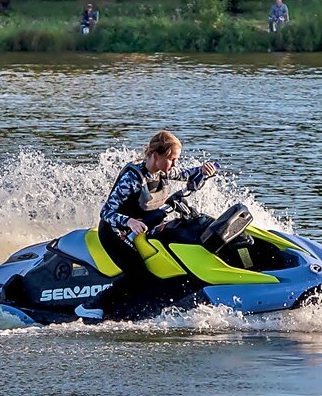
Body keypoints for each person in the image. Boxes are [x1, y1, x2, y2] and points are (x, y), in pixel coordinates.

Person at [75, 130, 218, 321]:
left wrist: (203, 171)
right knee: (140, 275)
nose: (175, 164)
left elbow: (188, 176)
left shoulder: (163, 172)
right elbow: (106, 212)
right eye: (172, 159)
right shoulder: (132, 179)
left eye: (176, 160)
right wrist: (129, 221)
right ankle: (92, 306)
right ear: (156, 155)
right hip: (115, 233)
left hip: (139, 233)